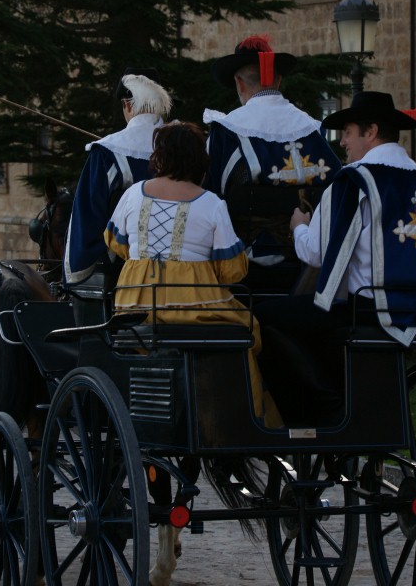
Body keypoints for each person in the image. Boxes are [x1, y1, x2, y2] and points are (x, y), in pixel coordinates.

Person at [253, 91, 416, 425]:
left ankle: (323, 405)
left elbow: (316, 253)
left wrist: (299, 228)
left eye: (348, 131)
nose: (342, 141)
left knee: (264, 316)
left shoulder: (353, 180)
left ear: (371, 131)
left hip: (364, 310)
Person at [104, 121, 281, 426]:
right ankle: (242, 417)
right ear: (200, 160)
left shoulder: (133, 195)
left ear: (158, 157)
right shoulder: (211, 204)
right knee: (248, 328)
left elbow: (116, 243)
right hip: (194, 309)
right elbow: (232, 270)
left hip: (136, 306)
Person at [204, 34, 342, 292]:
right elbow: (337, 190)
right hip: (307, 269)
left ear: (238, 83)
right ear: (278, 80)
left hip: (241, 268)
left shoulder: (226, 131)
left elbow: (211, 196)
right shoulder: (314, 131)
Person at [64, 68, 173, 323]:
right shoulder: (187, 147)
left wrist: (76, 274)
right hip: (188, 273)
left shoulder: (106, 153)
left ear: (127, 104)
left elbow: (87, 220)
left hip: (121, 275)